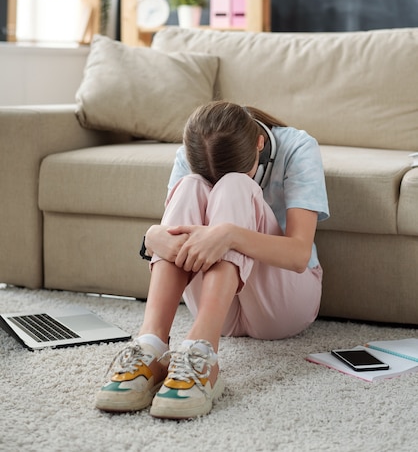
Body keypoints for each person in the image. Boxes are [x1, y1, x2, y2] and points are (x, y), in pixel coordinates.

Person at [95, 101, 329, 419]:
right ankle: (150, 344)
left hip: (282, 304)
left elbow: (299, 255)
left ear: (260, 144)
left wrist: (230, 235)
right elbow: (178, 232)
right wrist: (152, 237)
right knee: (191, 185)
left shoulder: (297, 146)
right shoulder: (191, 152)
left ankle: (203, 350)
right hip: (219, 305)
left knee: (235, 185)